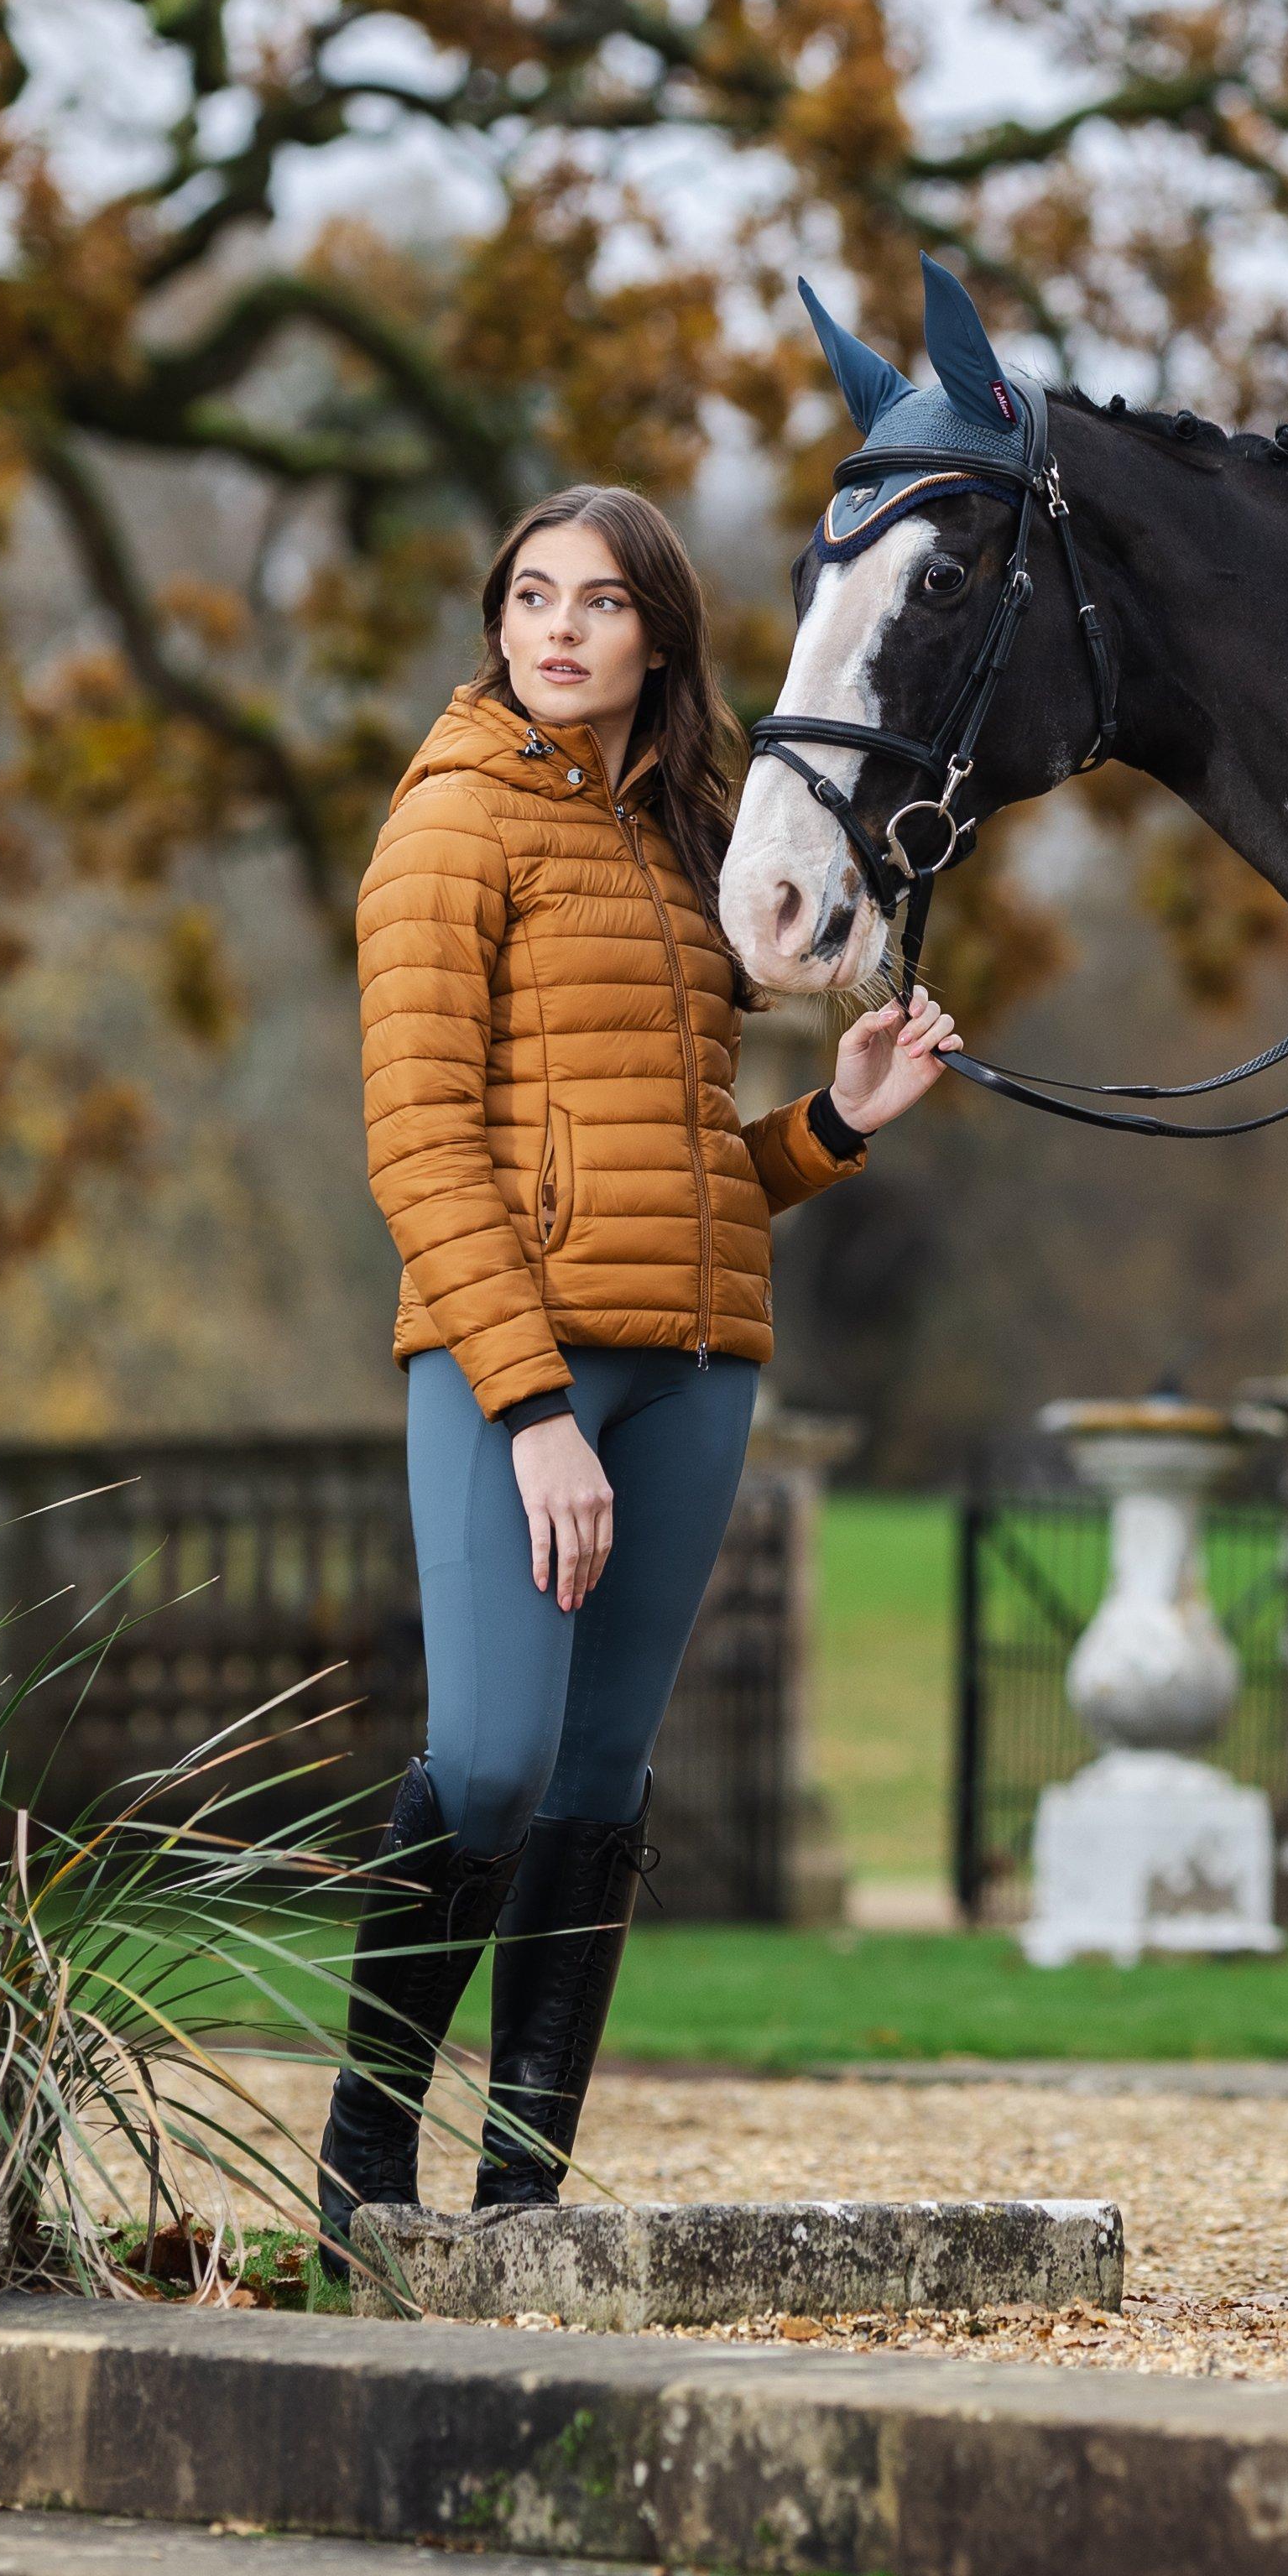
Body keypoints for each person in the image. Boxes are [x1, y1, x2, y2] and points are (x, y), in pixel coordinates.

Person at [318, 485, 956, 2255]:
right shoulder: (448, 825)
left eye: (597, 602)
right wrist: (528, 1413)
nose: (557, 627)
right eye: (530, 594)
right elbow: (421, 1149)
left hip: (696, 1367)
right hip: (511, 1369)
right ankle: (364, 2166)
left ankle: (521, 2189)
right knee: (497, 1757)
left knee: (601, 1783)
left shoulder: (687, 841)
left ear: (657, 637)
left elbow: (683, 1166)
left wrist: (832, 1122)